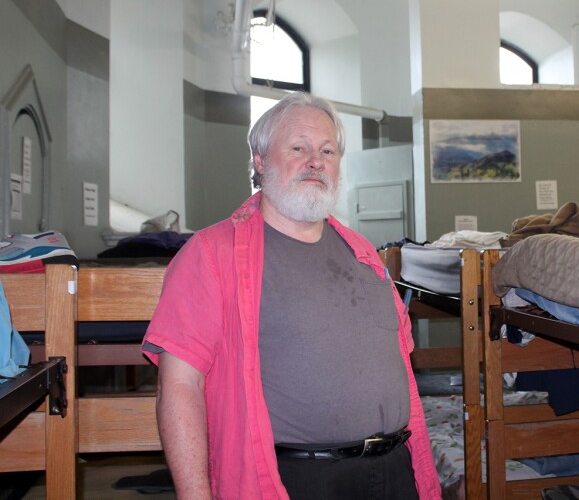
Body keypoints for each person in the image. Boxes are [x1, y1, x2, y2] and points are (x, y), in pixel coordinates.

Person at [142, 92, 441, 499]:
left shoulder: (364, 252)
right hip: (296, 481)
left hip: (393, 473)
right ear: (260, 161)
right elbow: (179, 387)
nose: (316, 160)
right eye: (298, 147)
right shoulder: (213, 254)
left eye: (327, 150)